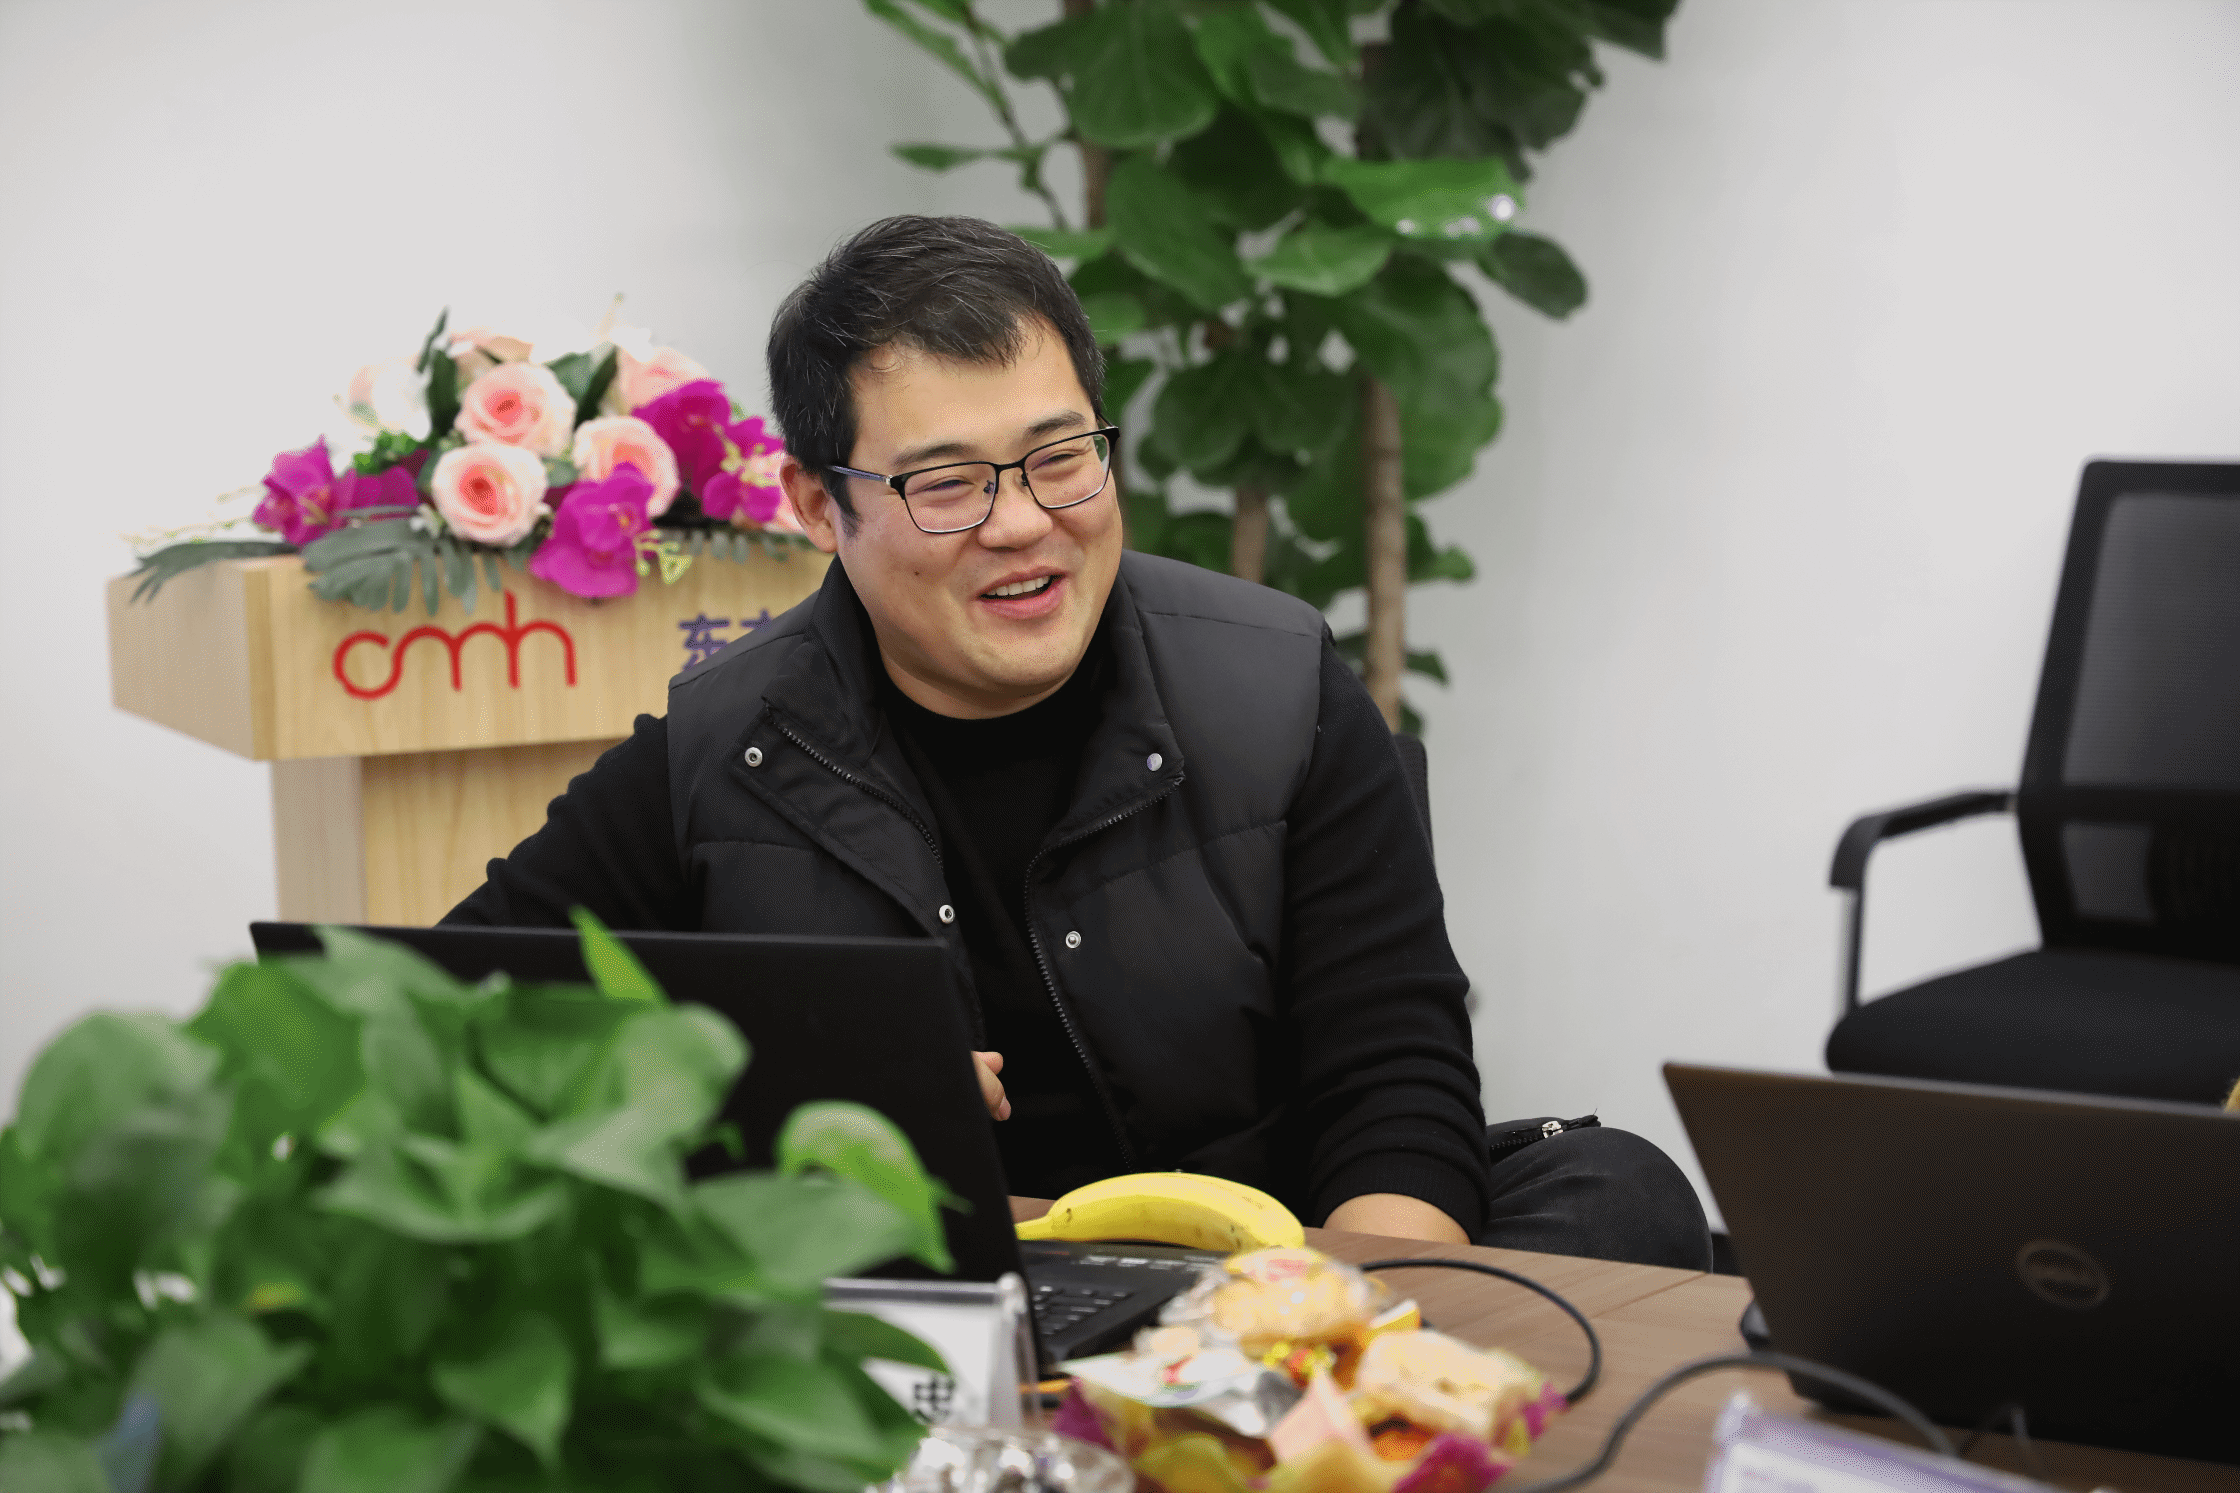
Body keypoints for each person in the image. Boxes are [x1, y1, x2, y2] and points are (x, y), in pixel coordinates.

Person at [446, 215, 1708, 1266]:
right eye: (947, 483)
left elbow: (1395, 1080)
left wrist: (1342, 1334)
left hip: (1262, 1276)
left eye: (1059, 457)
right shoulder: (724, 746)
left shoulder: (1278, 684)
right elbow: (443, 1018)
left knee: (1616, 1189)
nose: (1022, 524)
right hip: (914, 1287)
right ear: (819, 506)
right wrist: (779, 1084)